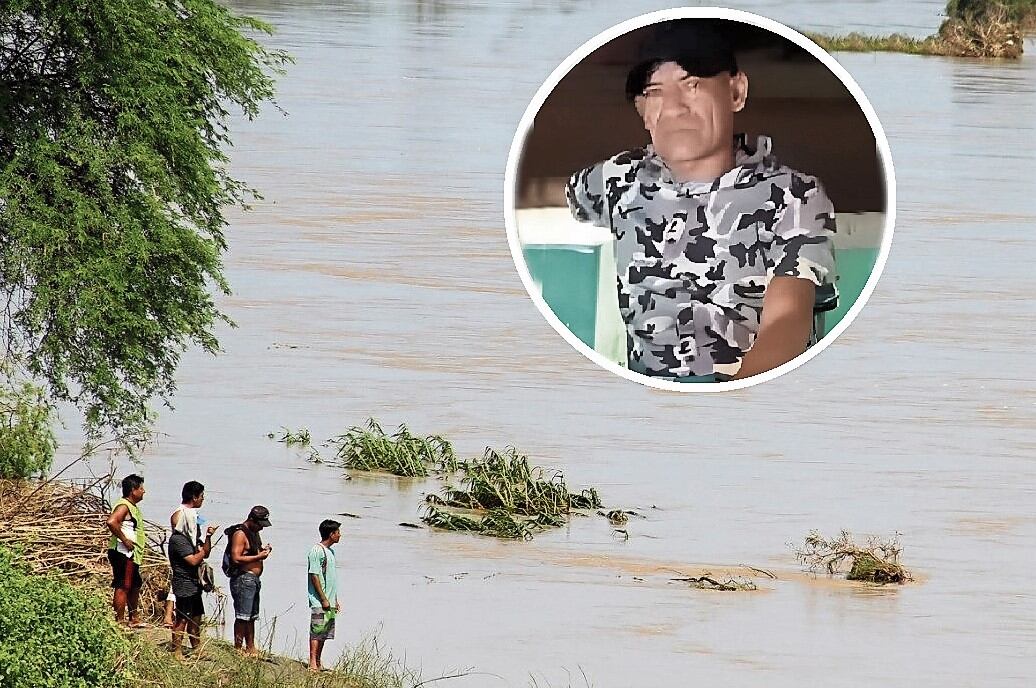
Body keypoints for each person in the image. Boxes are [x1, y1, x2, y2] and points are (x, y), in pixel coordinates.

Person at [565, 20, 835, 381]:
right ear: (642, 110)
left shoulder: (794, 196)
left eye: (692, 84)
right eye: (655, 92)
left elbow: (787, 323)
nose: (674, 108)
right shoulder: (618, 179)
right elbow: (569, 195)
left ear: (736, 91)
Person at [167, 508, 217, 658]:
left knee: (196, 617)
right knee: (182, 618)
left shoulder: (192, 538)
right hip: (184, 583)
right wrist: (200, 552)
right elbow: (193, 560)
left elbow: (205, 553)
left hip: (194, 583)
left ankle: (197, 648)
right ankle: (177, 651)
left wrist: (208, 537)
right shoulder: (178, 539)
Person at [225, 505, 272, 656]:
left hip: (253, 579)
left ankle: (251, 647)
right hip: (243, 579)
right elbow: (236, 557)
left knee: (251, 616)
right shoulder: (240, 533)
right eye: (260, 524)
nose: (261, 528)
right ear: (252, 519)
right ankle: (238, 648)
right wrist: (259, 557)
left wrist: (264, 551)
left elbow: (252, 552)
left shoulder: (253, 533)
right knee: (242, 616)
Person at [164, 480, 209, 628]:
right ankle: (168, 616)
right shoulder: (181, 514)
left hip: (192, 560)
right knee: (179, 591)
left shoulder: (192, 513)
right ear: (194, 497)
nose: (203, 499)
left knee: (195, 613)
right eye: (201, 496)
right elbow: (182, 535)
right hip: (184, 558)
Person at [105, 474, 147, 626]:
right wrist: (124, 539)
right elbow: (111, 522)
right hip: (123, 552)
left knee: (135, 584)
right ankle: (120, 621)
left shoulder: (132, 507)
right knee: (122, 585)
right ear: (132, 490)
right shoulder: (124, 505)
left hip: (132, 554)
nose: (144, 491)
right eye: (141, 488)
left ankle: (134, 618)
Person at [307, 519, 341, 672]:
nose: (340, 535)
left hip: (329, 600)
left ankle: (319, 661)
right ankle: (312, 662)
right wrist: (323, 598)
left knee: (324, 632)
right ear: (331, 534)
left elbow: (331, 577)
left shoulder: (331, 552)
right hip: (320, 600)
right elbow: (314, 575)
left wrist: (334, 599)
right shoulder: (317, 550)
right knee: (317, 631)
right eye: (338, 532)